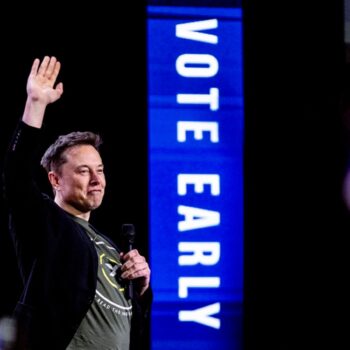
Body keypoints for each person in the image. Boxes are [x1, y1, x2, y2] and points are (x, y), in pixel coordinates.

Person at [2, 56, 151, 350]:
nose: (97, 179)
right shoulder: (47, 223)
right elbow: (15, 175)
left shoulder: (108, 244)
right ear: (55, 180)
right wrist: (36, 104)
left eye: (100, 170)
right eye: (84, 171)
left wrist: (142, 287)